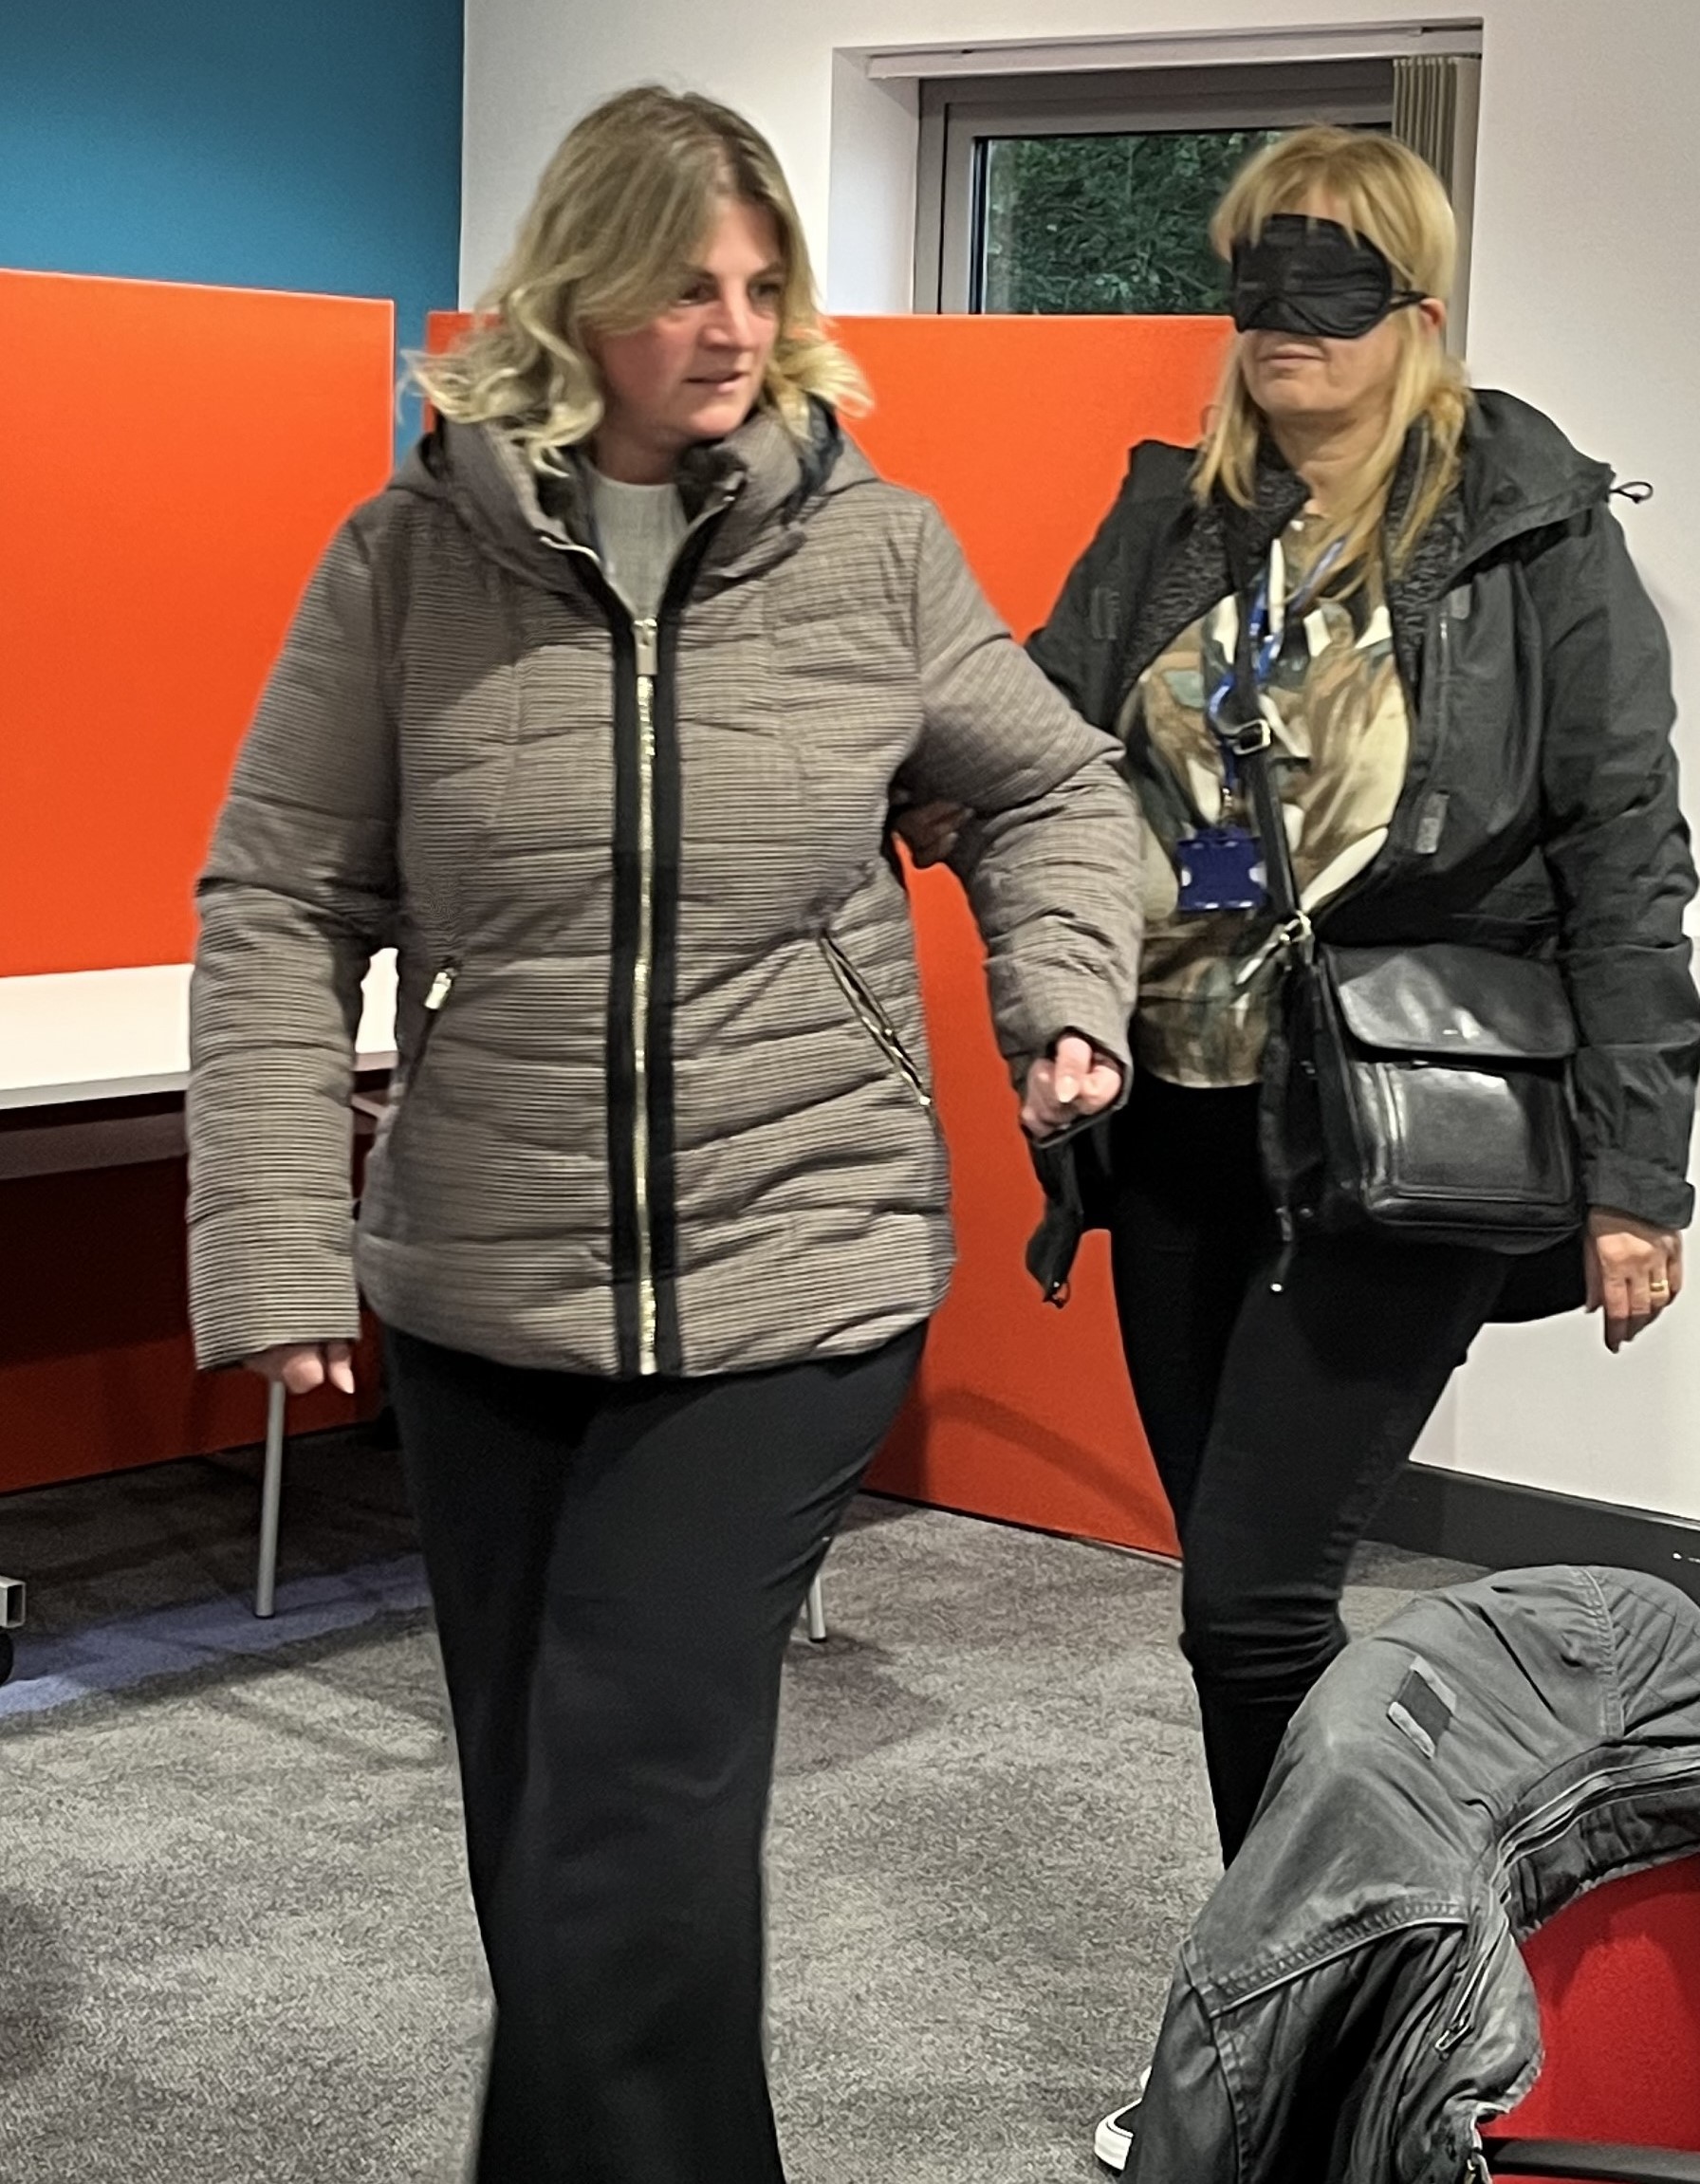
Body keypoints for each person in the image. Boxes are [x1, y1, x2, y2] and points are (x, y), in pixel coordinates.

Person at [183, 85, 1138, 2184]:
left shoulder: (869, 551)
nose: (728, 324)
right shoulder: (406, 565)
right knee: (551, 1828)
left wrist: (1059, 992)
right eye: (683, 284)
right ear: (572, 297)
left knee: (624, 1802)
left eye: (760, 284)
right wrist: (267, 1244)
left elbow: (1056, 787)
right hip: (480, 1280)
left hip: (791, 1271)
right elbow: (274, 900)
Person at [908, 125, 1700, 2174]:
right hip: (1176, 1118)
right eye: (1254, 282)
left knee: (1247, 1604)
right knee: (1240, 1606)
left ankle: (1303, 2062)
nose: (1280, 322)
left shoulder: (1526, 529)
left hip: (1404, 1133)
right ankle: (1346, 2019)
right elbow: (1040, 750)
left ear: (1416, 308)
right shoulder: (1175, 520)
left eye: (1328, 284)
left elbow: (1623, 855)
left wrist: (1637, 1168)